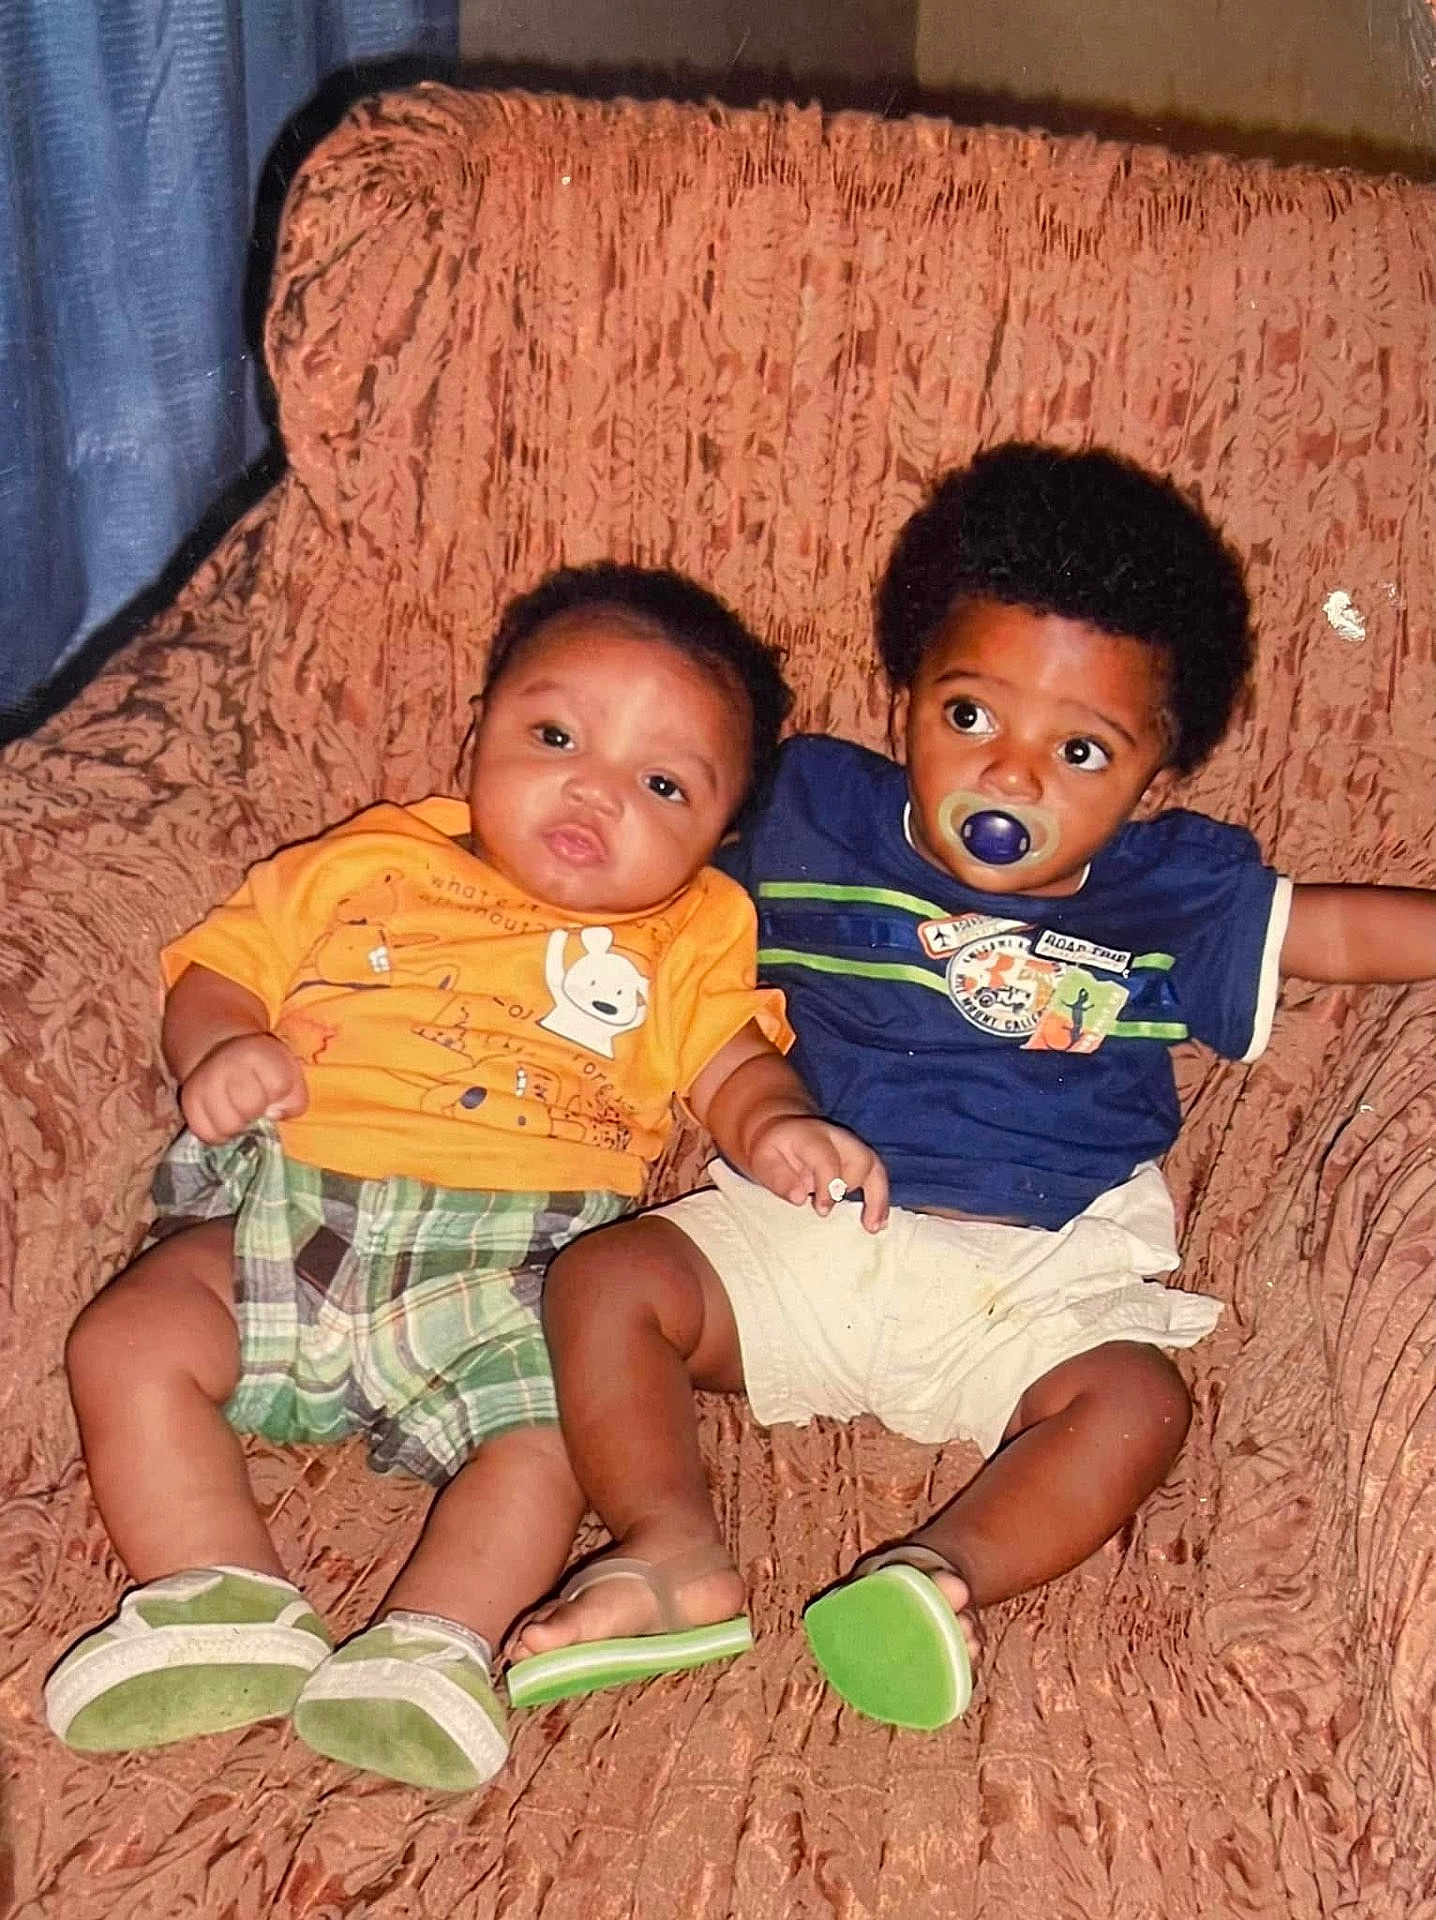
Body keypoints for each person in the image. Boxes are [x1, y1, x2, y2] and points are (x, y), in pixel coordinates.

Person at [507, 443, 1436, 1732]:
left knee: (1135, 1402)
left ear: (1152, 784)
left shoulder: (1174, 891)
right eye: (969, 716)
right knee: (604, 1282)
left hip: (1040, 1276)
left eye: (1082, 751)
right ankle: (668, 1548)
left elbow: (1330, 937)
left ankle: (938, 1575)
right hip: (817, 1228)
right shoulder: (809, 812)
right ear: (905, 701)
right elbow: (636, 828)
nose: (1009, 776)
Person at [44, 562, 887, 1790]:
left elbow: (728, 1064)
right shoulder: (367, 860)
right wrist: (219, 1047)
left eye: (661, 784)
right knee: (127, 1340)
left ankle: (433, 1644)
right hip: (300, 1212)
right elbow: (221, 972)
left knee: (551, 1440)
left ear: (718, 838)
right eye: (554, 736)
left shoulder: (690, 931)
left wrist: (777, 1130)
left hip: (519, 1268)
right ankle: (219, 1592)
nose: (592, 791)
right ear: (477, 730)